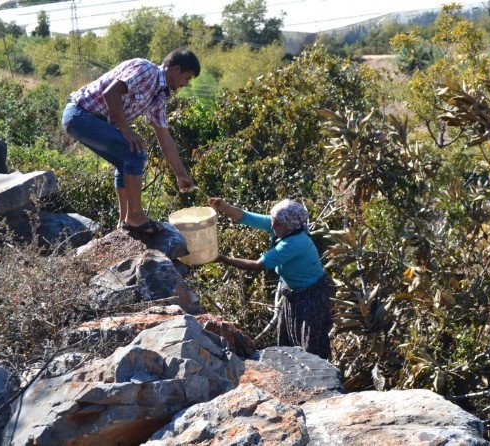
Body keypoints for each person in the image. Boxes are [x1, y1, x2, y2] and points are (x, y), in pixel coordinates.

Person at [62, 48, 200, 234]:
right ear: (176, 70)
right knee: (134, 152)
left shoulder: (159, 97)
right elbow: (111, 93)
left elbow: (165, 138)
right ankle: (135, 216)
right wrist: (126, 131)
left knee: (125, 161)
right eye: (187, 78)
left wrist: (181, 173)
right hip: (80, 114)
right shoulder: (145, 70)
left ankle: (125, 221)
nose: (186, 84)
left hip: (89, 120)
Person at [208, 197, 334, 359]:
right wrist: (224, 206)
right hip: (293, 293)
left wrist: (223, 259)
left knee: (312, 346)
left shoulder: (295, 243)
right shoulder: (283, 225)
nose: (272, 226)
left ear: (289, 225)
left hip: (311, 297)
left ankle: (320, 381)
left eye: (276, 223)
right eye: (272, 221)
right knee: (288, 341)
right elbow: (245, 217)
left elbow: (258, 265)